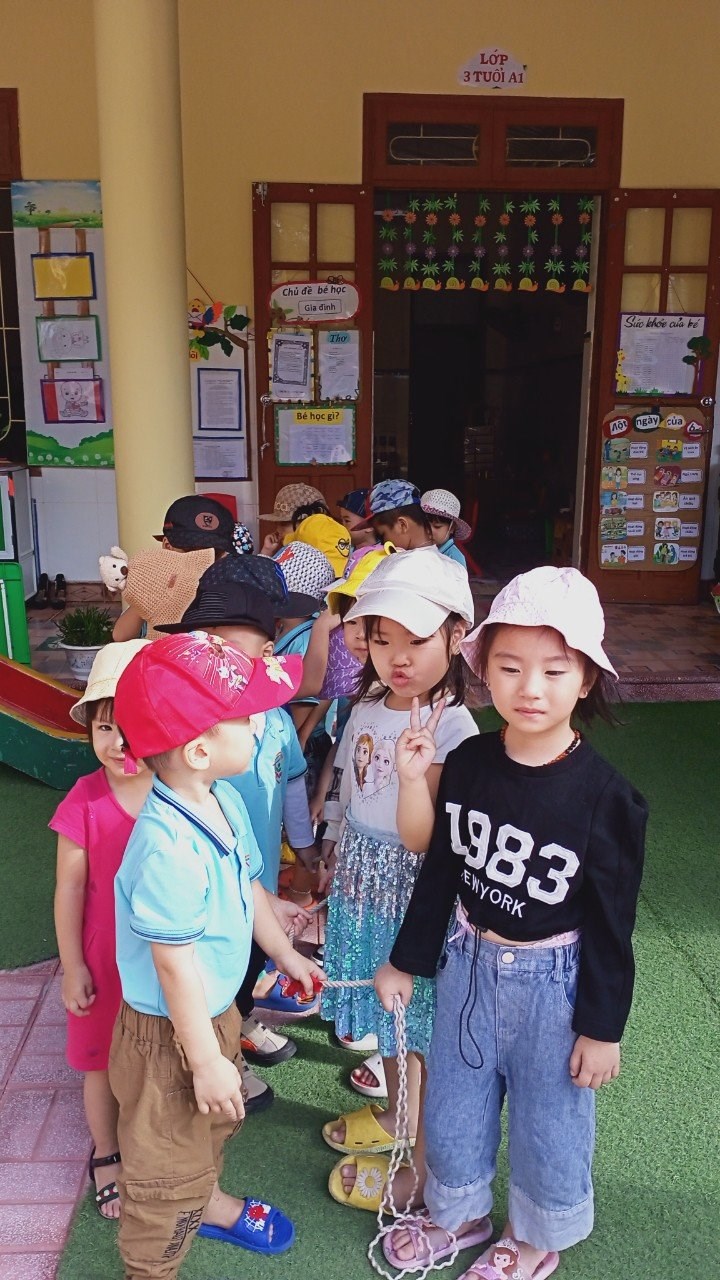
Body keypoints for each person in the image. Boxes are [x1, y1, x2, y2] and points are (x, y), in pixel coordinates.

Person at [377, 566, 648, 1280]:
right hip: (467, 965)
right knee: (454, 1107)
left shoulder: (609, 799)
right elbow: (442, 869)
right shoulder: (469, 762)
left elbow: (613, 925)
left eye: (554, 670)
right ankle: (458, 1213)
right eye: (509, 667)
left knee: (550, 1121)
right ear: (484, 672)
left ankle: (534, 1238)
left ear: (585, 679)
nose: (531, 688)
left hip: (554, 986)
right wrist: (405, 959)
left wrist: (602, 1028)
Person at [110, 632, 323, 1277]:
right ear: (199, 749)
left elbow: (249, 887)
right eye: (247, 715)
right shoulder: (168, 849)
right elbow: (172, 964)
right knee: (164, 1170)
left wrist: (284, 953)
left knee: (208, 1128)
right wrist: (202, 1060)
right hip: (168, 1036)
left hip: (213, 1012)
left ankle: (207, 1201)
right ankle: (153, 1266)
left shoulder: (221, 798)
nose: (262, 723)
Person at [319, 547, 478, 1213]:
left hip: (414, 891)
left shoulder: (454, 726)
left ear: (457, 636)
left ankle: (422, 1158)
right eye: (382, 640)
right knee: (385, 1018)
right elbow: (351, 784)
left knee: (417, 1027)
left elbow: (424, 837)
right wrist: (333, 846)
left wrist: (414, 772)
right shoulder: (368, 703)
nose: (397, 657)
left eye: (416, 639)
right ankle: (396, 1114)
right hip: (362, 874)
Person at [155, 562, 322, 1067]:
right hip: (204, 886)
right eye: (204, 647)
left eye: (229, 649)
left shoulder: (276, 723)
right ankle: (217, 1050)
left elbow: (292, 785)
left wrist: (305, 848)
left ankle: (240, 1026)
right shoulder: (185, 725)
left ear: (267, 653)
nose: (216, 661)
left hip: (256, 876)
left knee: (251, 959)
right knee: (208, 963)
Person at [50, 640, 152, 1219]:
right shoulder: (85, 798)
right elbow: (68, 888)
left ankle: (153, 1142)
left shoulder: (178, 792)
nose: (118, 743)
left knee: (156, 1056)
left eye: (132, 727)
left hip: (162, 964)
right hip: (102, 960)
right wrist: (73, 966)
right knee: (98, 1062)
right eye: (105, 728)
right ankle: (107, 1152)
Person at [112, 495, 240, 642]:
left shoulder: (229, 586)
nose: (203, 560)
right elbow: (120, 636)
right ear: (168, 546)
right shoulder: (158, 586)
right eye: (192, 551)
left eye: (214, 553)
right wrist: (152, 595)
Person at [352, 478, 434, 550]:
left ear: (402, 525)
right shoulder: (440, 558)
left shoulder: (404, 562)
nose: (382, 544)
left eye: (381, 536)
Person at [257, 483, 325, 557]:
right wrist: (267, 551)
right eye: (276, 523)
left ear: (307, 523)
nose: (278, 530)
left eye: (284, 524)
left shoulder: (322, 554)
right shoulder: (289, 551)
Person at [421, 487, 472, 566]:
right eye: (425, 525)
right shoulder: (418, 546)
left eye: (437, 526)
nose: (429, 531)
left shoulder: (455, 558)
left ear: (452, 528)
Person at [337, 488, 378, 558]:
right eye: (341, 520)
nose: (342, 526)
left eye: (347, 521)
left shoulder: (380, 554)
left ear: (369, 525)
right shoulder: (343, 550)